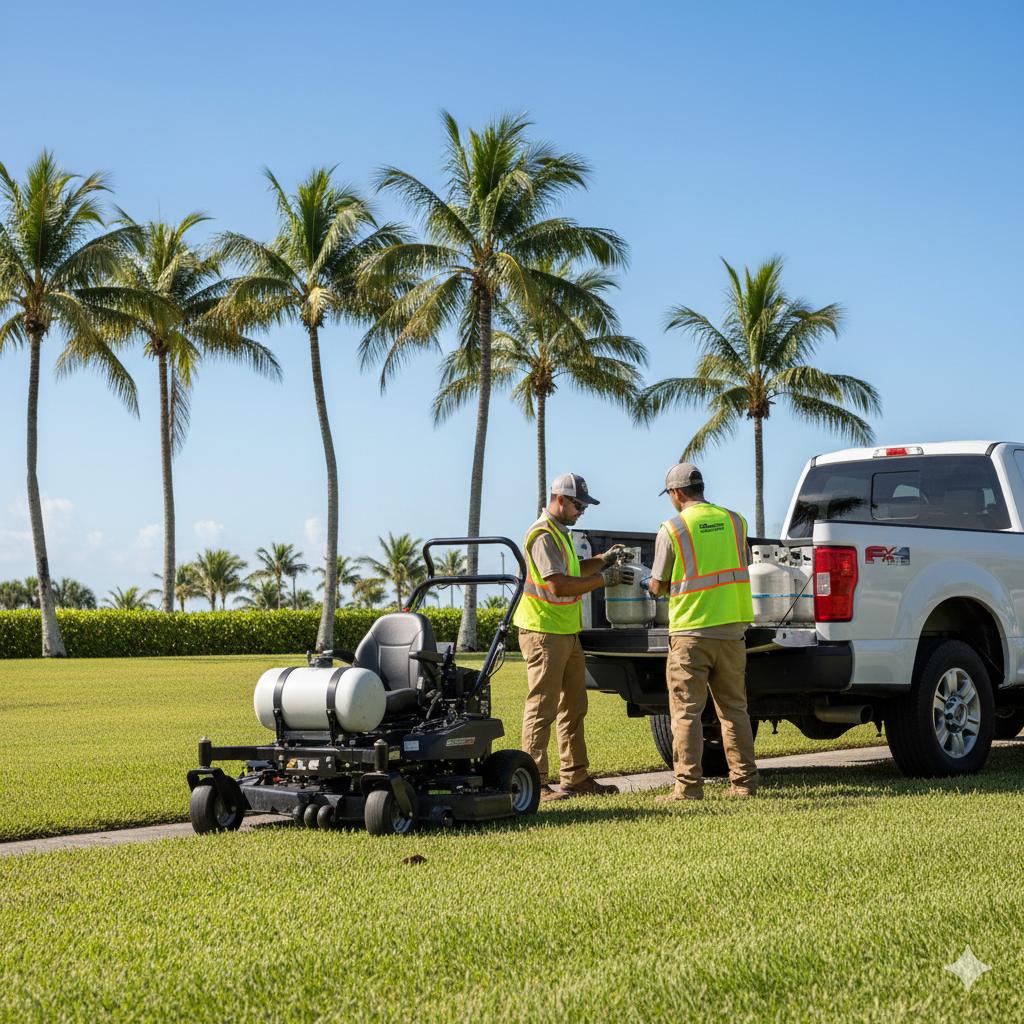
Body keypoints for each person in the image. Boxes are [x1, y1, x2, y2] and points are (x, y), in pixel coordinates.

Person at [513, 473, 631, 802]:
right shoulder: (541, 534)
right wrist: (604, 579)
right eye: (578, 504)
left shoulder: (561, 533)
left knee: (574, 707)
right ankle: (534, 782)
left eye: (585, 506)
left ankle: (575, 777)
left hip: (565, 631)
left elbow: (573, 571)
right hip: (543, 632)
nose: (582, 511)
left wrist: (603, 560)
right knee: (542, 708)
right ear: (560, 500)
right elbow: (557, 585)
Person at [645, 462, 759, 802]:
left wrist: (648, 585)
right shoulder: (736, 521)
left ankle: (688, 787)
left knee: (685, 713)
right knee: (734, 710)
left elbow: (658, 584)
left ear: (677, 493)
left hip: (691, 634)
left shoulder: (673, 528)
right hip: (731, 630)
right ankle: (744, 784)